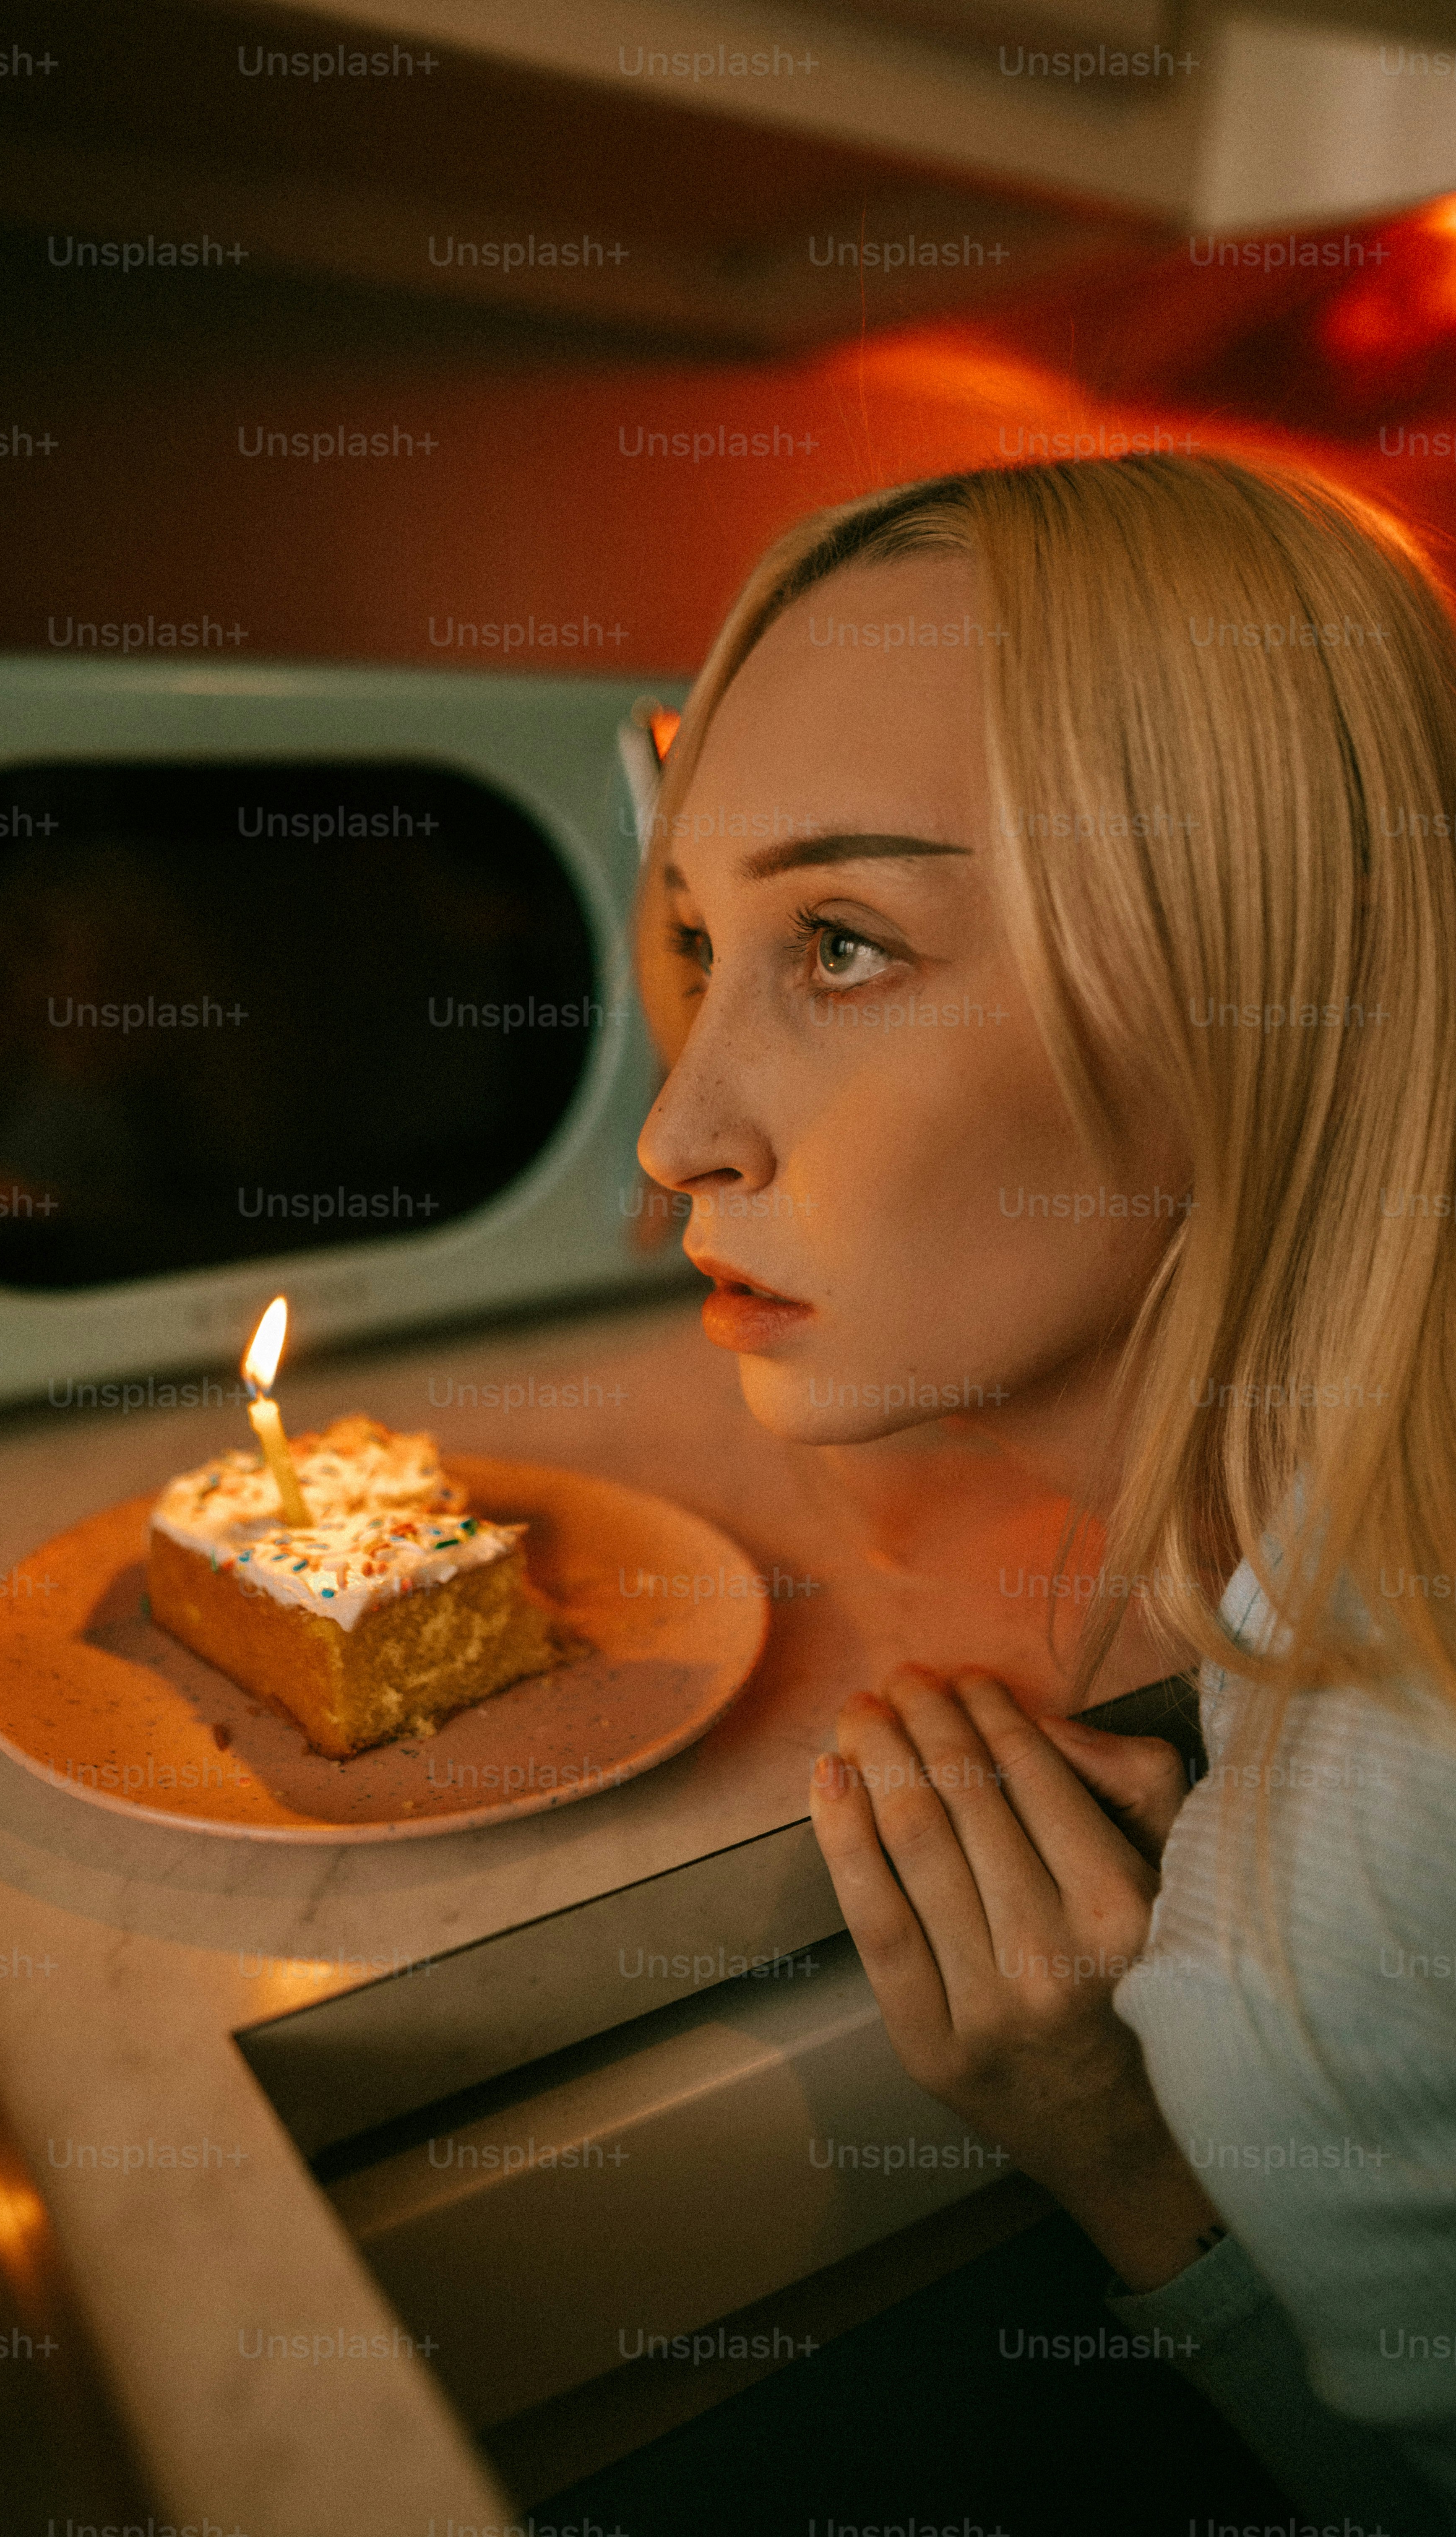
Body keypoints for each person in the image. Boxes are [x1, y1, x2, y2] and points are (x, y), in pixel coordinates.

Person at [633, 453, 1456, 2531]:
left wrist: (1127, 2157)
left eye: (839, 940)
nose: (677, 1128)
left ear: (1254, 966)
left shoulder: (1342, 1889)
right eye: (699, 941)